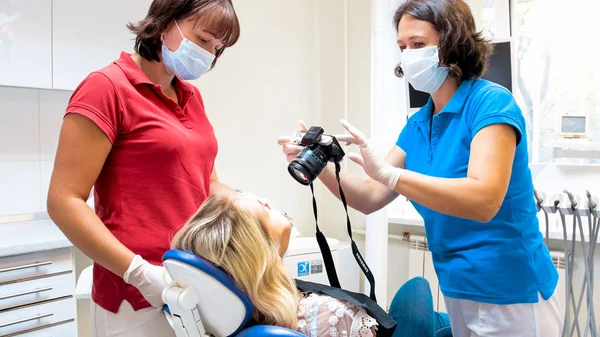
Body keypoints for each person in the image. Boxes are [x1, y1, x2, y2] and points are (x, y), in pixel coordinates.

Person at [278, 1, 562, 336]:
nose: (408, 55)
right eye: (402, 47)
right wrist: (320, 164)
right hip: (458, 287)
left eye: (418, 45)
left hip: (511, 290)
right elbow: (371, 196)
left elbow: (484, 200)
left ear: (453, 43)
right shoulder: (420, 123)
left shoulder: (490, 103)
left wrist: (392, 174)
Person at [46, 1, 240, 336]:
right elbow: (63, 200)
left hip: (192, 283)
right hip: (134, 295)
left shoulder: (190, 96)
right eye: (204, 39)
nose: (209, 55)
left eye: (217, 48)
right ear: (166, 24)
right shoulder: (106, 88)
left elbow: (205, 182)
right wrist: (139, 273)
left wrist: (244, 203)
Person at [171, 192, 453, 337]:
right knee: (418, 288)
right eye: (261, 205)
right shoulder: (326, 313)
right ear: (257, 245)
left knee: (445, 325)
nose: (269, 201)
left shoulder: (258, 304)